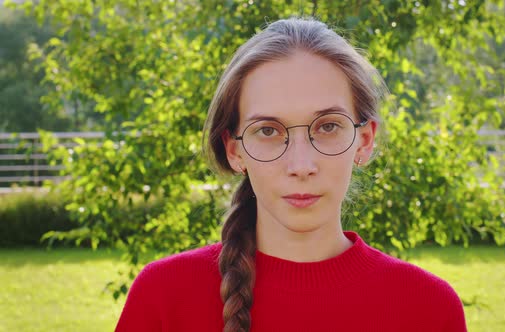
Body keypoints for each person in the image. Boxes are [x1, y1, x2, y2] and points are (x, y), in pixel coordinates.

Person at [115, 17, 467, 332]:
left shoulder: (428, 307)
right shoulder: (163, 297)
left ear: (364, 140)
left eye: (328, 126)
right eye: (268, 131)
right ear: (234, 149)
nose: (301, 165)